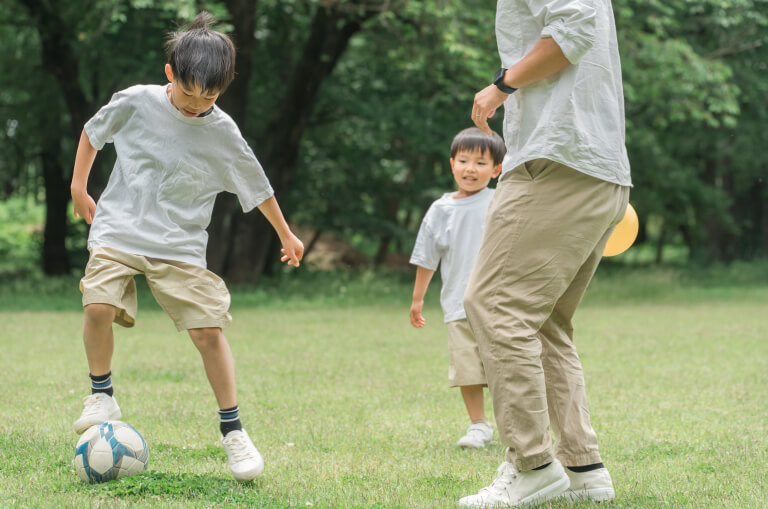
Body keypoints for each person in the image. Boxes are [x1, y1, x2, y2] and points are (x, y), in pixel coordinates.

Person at [69, 12, 304, 482]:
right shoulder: (136, 102)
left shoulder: (223, 132)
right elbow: (93, 133)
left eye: (210, 97)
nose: (197, 105)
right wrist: (79, 186)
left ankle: (233, 431)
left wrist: (285, 232)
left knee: (208, 332)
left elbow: (257, 187)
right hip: (118, 229)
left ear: (225, 86)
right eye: (188, 93)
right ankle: (102, 393)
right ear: (170, 73)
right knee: (97, 305)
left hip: (178, 245)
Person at [458, 0, 632, 506]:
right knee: (547, 322)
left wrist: (500, 85)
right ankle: (582, 466)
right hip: (597, 171)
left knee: (494, 305)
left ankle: (531, 464)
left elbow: (573, 28)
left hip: (556, 162)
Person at [409, 127, 506, 449]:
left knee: (506, 367)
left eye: (480, 163)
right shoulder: (441, 209)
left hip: (501, 303)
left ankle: (515, 425)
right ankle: (479, 426)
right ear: (452, 164)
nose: (470, 169)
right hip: (457, 303)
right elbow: (427, 256)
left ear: (496, 170)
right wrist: (417, 299)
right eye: (463, 160)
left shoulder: (500, 201)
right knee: (467, 368)